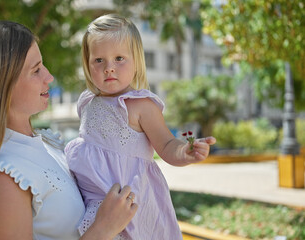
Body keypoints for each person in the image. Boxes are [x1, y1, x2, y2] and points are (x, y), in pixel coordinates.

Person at [0, 20, 138, 240]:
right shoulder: (5, 178)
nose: (49, 77)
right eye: (36, 70)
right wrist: (103, 229)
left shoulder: (46, 143)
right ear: (0, 84)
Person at [65, 14, 217, 240]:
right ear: (87, 64)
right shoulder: (87, 101)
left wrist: (184, 151)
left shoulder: (141, 105)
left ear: (136, 61)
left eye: (119, 58)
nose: (109, 68)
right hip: (92, 199)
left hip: (128, 201)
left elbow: (166, 144)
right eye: (99, 60)